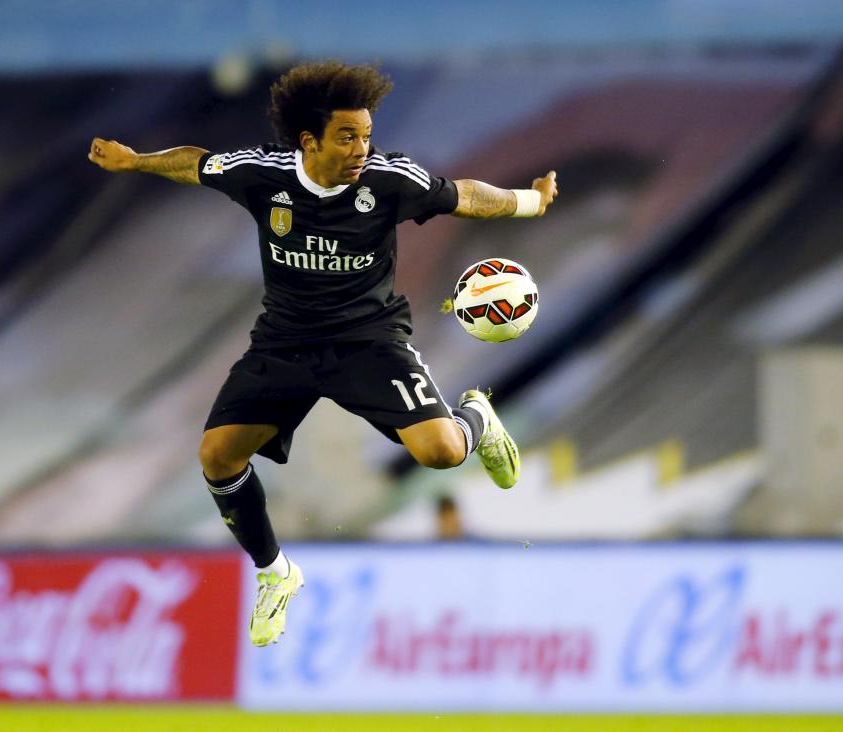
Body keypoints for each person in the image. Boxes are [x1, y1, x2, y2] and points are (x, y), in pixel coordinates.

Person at [88, 60, 558, 647]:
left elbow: (465, 197)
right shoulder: (263, 174)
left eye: (365, 135)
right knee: (217, 457)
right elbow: (197, 161)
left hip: (369, 342)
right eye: (347, 136)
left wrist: (530, 203)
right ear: (309, 141)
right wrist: (136, 161)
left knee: (440, 453)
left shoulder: (391, 182)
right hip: (285, 343)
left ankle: (476, 417)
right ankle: (276, 573)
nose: (362, 148)